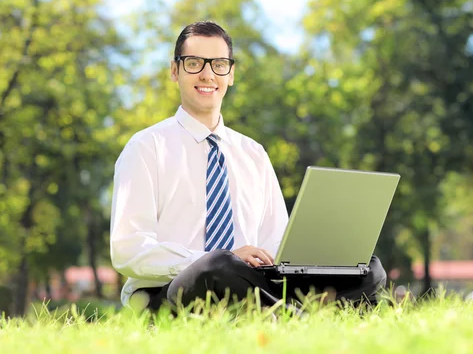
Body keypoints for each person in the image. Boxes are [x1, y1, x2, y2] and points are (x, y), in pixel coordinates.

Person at [110, 21, 386, 313]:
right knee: (218, 264)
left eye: (219, 64)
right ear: (175, 71)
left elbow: (274, 241)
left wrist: (307, 261)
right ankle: (301, 321)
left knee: (367, 266)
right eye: (194, 63)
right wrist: (204, 259)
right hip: (168, 293)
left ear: (231, 75)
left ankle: (288, 315)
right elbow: (127, 248)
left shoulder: (253, 153)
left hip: (251, 284)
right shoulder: (145, 147)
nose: (207, 74)